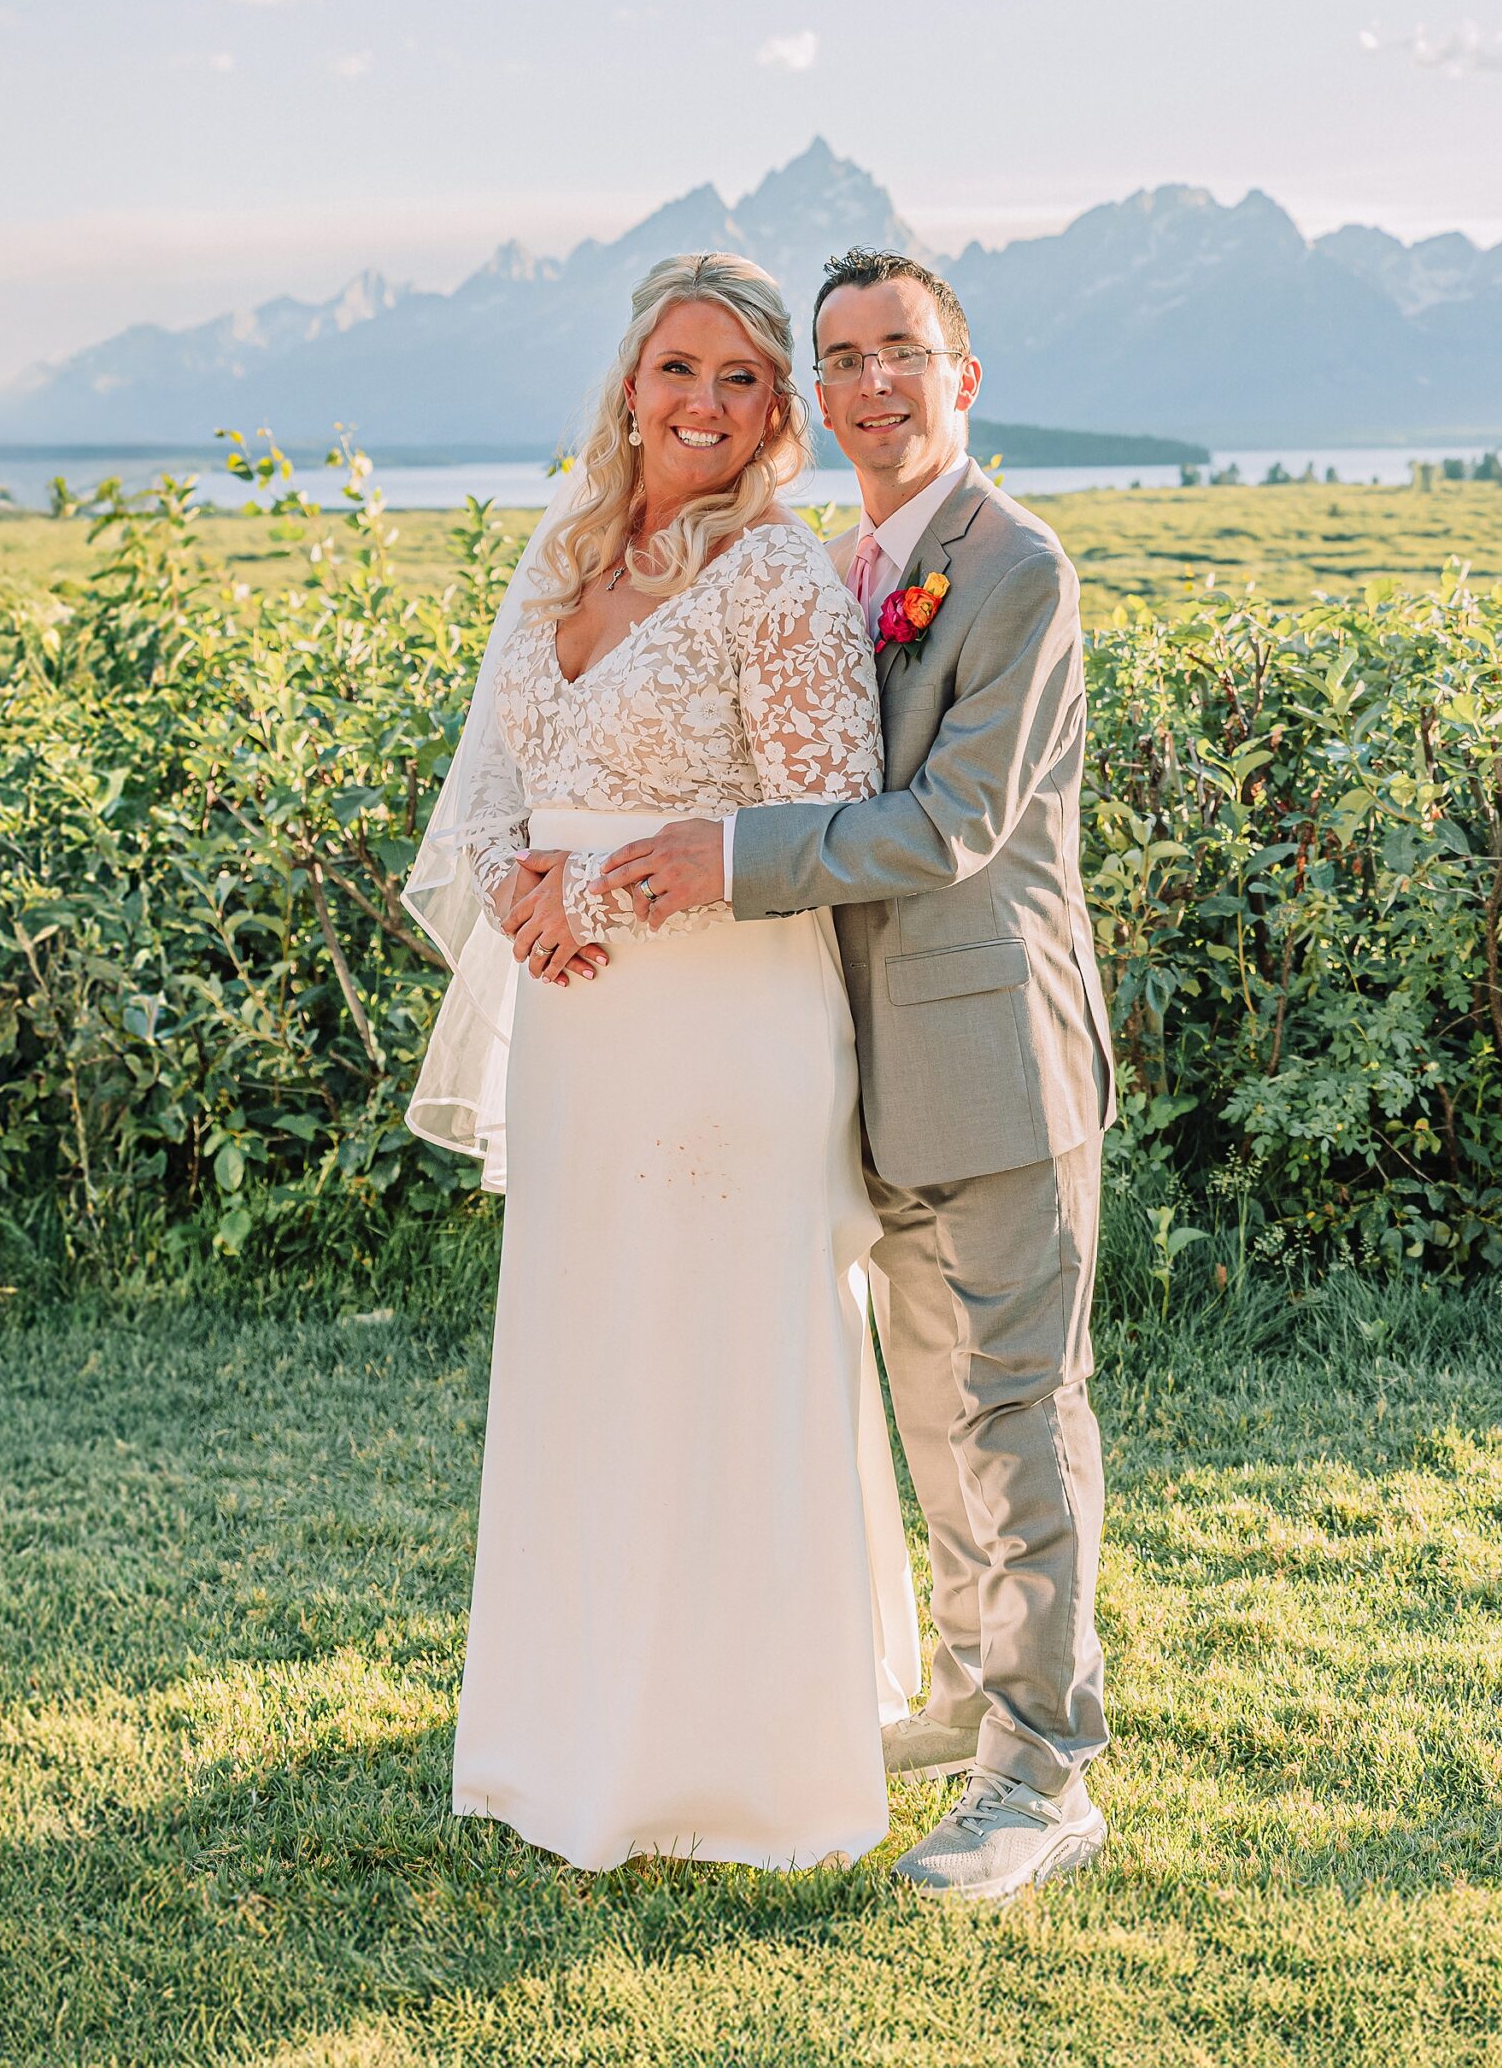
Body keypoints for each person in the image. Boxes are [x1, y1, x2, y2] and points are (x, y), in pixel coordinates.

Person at [584, 247, 1119, 1902]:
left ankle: (1040, 1773)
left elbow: (948, 828)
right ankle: (967, 1693)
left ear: (963, 375)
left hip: (993, 1055)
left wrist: (718, 859)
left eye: (902, 350)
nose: (871, 381)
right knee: (929, 1416)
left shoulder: (1014, 566)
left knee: (1016, 1415)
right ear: (816, 396)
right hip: (855, 1064)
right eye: (841, 358)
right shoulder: (838, 564)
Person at [402, 251, 918, 1873]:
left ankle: (744, 1760)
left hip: (726, 1028)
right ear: (629, 381)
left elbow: (826, 813)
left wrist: (614, 885)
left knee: (720, 1359)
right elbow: (494, 776)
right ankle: (571, 1731)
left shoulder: (775, 578)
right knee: (592, 1358)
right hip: (581, 1032)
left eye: (743, 381)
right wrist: (517, 893)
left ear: (778, 412)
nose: (704, 404)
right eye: (678, 369)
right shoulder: (564, 551)